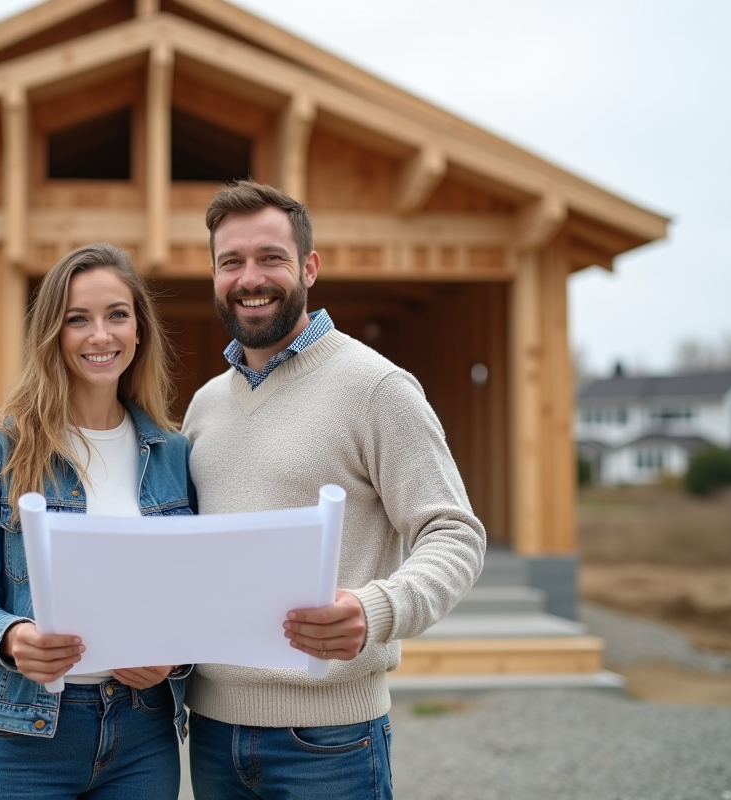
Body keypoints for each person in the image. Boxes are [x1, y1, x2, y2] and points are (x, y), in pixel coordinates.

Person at [181, 180, 486, 799]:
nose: (250, 278)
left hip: (330, 742)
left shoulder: (377, 388)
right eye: (231, 262)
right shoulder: (204, 406)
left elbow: (453, 533)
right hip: (210, 731)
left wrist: (378, 609)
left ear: (309, 267)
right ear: (213, 274)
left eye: (271, 257)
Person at [0, 243, 195, 800]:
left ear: (139, 330)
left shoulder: (175, 453)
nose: (100, 336)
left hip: (143, 732)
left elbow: (195, 595)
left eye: (116, 315)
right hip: (25, 734)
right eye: (78, 319)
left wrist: (174, 658)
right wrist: (12, 637)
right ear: (52, 333)